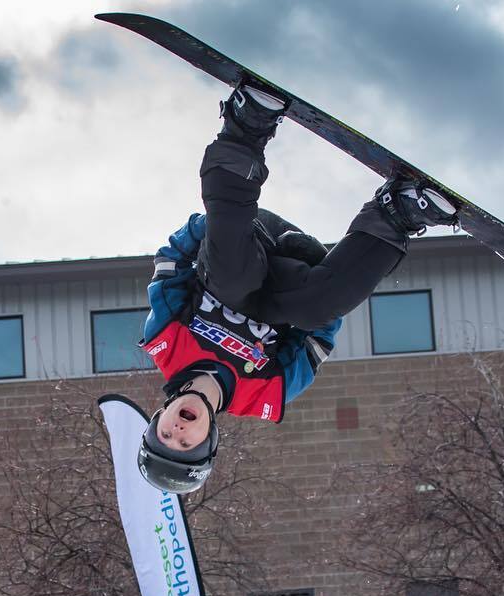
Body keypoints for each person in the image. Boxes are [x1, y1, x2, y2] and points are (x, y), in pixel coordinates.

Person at [138, 83, 458, 493]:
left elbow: (170, 264)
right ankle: (399, 210)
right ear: (209, 440)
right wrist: (316, 304)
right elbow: (318, 338)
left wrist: (208, 230)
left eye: (165, 435)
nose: (178, 432)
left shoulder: (165, 343)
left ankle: (246, 124)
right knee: (313, 310)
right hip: (295, 275)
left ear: (158, 418)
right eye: (186, 444)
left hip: (242, 245)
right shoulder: (268, 394)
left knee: (233, 283)